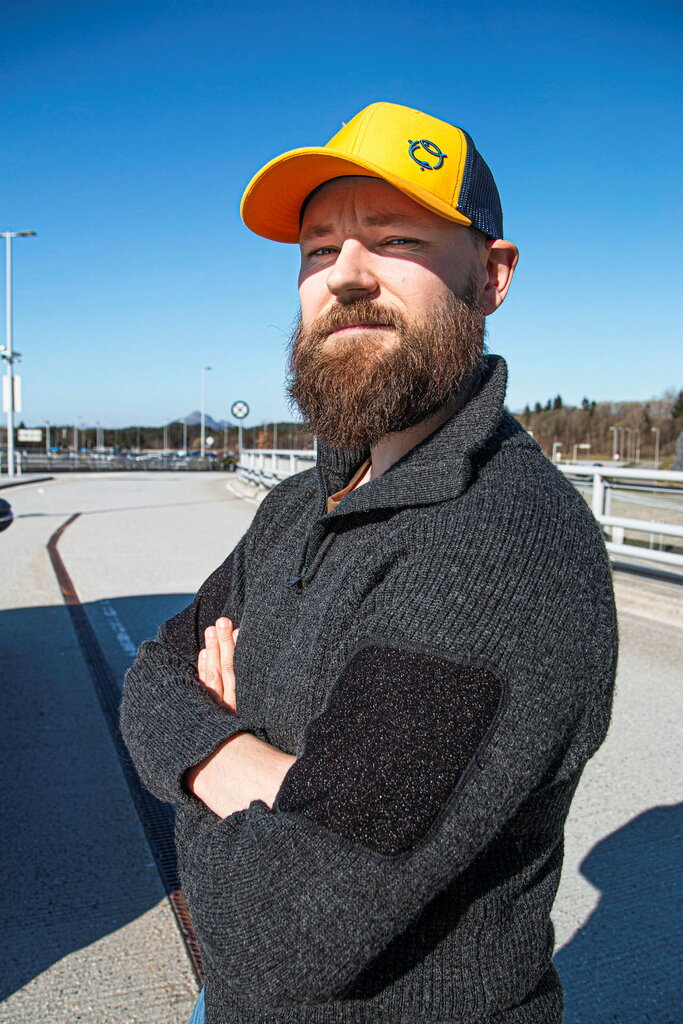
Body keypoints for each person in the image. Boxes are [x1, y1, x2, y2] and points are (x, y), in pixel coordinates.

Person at [120, 101, 617, 1024]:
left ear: (490, 276)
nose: (346, 275)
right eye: (318, 248)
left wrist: (209, 751)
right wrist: (255, 770)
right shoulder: (296, 505)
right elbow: (150, 678)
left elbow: (277, 931)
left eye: (395, 239)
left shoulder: (498, 543)